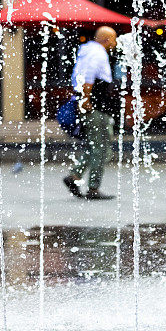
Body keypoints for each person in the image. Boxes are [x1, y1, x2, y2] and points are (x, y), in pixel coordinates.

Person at [63, 26, 118, 200]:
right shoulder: (98, 53)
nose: (115, 43)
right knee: (100, 149)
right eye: (114, 39)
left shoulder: (87, 52)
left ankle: (75, 176)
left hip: (93, 106)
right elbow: (88, 77)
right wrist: (86, 99)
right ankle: (93, 188)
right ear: (106, 39)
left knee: (94, 146)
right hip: (95, 108)